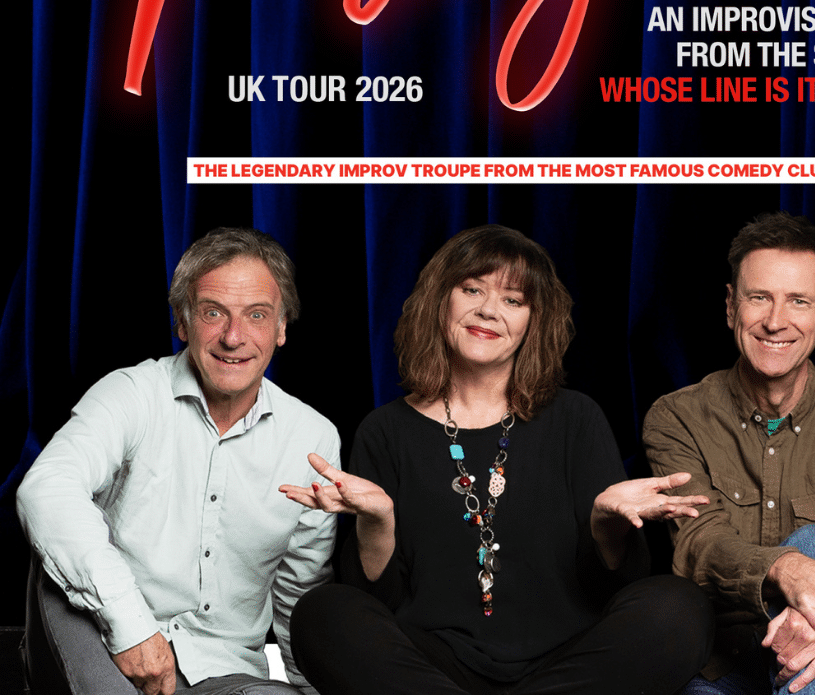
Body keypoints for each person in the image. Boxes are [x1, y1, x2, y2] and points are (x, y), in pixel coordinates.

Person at [283, 225, 713, 695]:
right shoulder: (384, 431)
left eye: (513, 300)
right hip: (436, 668)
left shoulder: (577, 418)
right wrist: (379, 520)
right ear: (440, 300)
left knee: (680, 607)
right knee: (320, 615)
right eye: (472, 289)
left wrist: (604, 521)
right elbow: (376, 605)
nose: (488, 310)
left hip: (568, 666)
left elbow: (613, 590)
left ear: (534, 322)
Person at [17, 227, 339, 695]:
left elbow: (298, 592)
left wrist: (304, 686)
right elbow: (46, 489)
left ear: (281, 327)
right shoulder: (130, 393)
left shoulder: (313, 437)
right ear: (183, 322)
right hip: (103, 638)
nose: (234, 336)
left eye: (256, 315)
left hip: (223, 671)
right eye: (214, 313)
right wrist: (133, 628)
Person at [644, 213, 815, 695]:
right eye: (759, 298)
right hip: (726, 661)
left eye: (798, 301)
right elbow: (702, 545)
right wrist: (788, 572)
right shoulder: (677, 417)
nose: (775, 321)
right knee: (807, 556)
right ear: (731, 307)